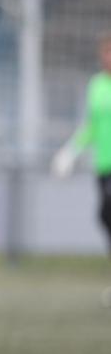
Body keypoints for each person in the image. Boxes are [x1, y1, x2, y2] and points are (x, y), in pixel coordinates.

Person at [52, 32, 111, 248]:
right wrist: (70, 151)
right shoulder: (96, 85)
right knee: (105, 215)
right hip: (104, 163)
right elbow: (92, 127)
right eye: (106, 52)